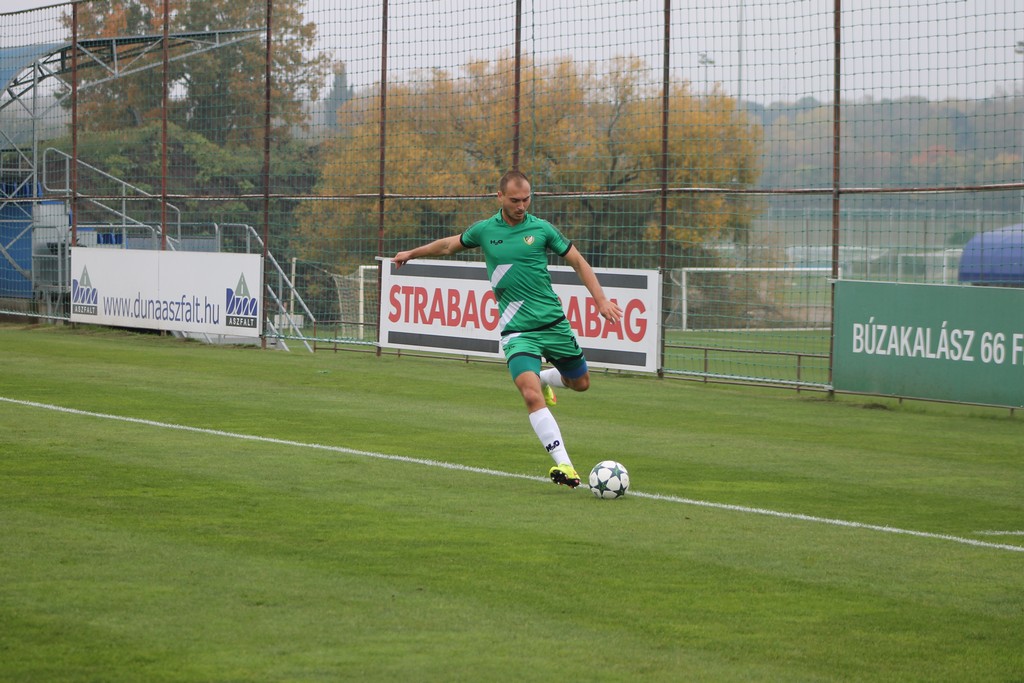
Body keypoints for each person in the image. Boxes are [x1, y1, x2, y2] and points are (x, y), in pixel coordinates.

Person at [393, 170, 622, 488]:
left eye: (526, 199)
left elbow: (578, 262)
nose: (521, 205)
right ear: (499, 197)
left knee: (581, 383)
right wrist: (412, 253)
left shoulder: (541, 229)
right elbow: (448, 246)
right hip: (517, 331)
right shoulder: (485, 231)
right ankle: (564, 465)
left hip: (553, 323)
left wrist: (601, 301)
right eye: (515, 200)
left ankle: (545, 377)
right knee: (529, 395)